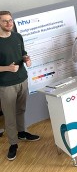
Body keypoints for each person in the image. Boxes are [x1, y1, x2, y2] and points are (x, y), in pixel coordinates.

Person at [0, 10, 40, 161]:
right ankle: (13, 143)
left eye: (11, 20)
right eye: (5, 21)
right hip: (6, 85)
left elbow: (22, 52)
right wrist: (7, 68)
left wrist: (26, 58)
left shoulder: (18, 36)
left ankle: (22, 132)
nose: (9, 23)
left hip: (22, 79)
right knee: (9, 116)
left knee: (21, 110)